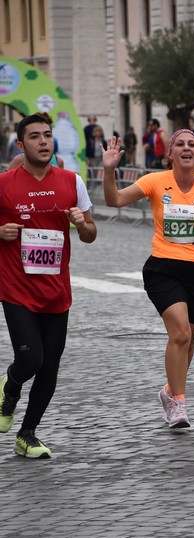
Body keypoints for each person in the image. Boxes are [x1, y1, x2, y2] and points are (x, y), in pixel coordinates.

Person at [101, 129, 194, 428]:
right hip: (163, 268)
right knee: (179, 334)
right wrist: (109, 171)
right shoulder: (155, 181)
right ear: (170, 154)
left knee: (188, 342)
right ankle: (179, 403)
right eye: (180, 144)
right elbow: (114, 200)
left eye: (192, 144)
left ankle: (169, 391)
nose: (186, 148)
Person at [0, 113, 97, 458]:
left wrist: (81, 224)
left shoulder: (72, 181)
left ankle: (27, 435)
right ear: (21, 143)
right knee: (32, 360)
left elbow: (90, 234)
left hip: (57, 292)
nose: (43, 142)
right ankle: (10, 386)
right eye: (35, 136)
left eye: (47, 135)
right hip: (16, 290)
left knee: (50, 367)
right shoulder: (4, 184)